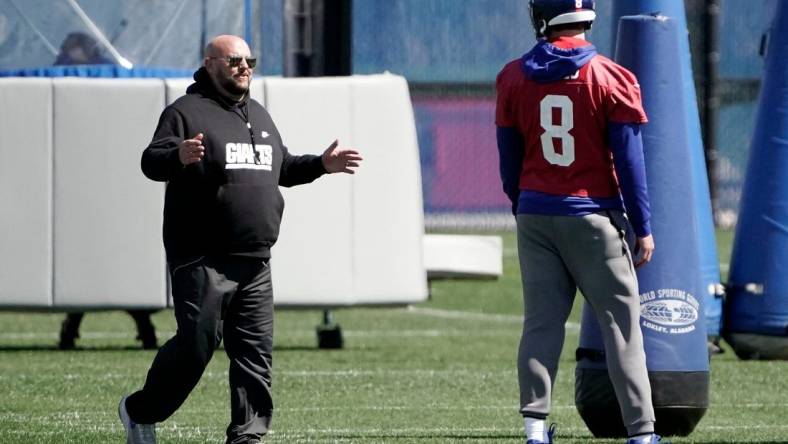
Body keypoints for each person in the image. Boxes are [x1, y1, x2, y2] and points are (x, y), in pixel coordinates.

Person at [117, 35, 362, 444]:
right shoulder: (185, 112)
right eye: (234, 60)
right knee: (197, 345)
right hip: (201, 256)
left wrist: (321, 164)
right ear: (210, 63)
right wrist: (177, 155)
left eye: (250, 60)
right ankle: (141, 410)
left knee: (255, 355)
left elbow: (282, 167)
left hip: (255, 260)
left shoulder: (260, 115)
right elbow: (150, 161)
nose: (245, 66)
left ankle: (247, 435)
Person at [495, 1, 664, 443]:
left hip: (535, 213)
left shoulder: (512, 75)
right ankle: (642, 433)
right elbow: (631, 163)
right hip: (592, 214)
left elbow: (508, 161)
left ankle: (534, 430)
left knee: (541, 324)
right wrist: (642, 224)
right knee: (621, 327)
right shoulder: (613, 77)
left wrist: (524, 204)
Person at [54, 31, 158, 351]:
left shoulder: (112, 85)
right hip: (86, 196)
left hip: (115, 195)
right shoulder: (63, 80)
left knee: (122, 268)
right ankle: (71, 328)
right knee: (85, 268)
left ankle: (144, 327)